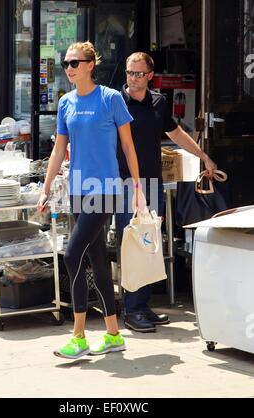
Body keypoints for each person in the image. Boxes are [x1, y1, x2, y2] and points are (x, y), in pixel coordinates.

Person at [37, 42, 146, 359]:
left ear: (89, 65)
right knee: (97, 260)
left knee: (72, 255)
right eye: (64, 63)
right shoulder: (65, 103)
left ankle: (79, 337)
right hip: (78, 189)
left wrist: (137, 187)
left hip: (106, 189)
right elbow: (59, 149)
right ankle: (113, 334)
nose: (68, 68)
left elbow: (128, 147)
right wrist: (46, 188)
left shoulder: (111, 99)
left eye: (73, 63)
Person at [116, 52, 217, 333]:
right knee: (135, 245)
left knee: (150, 245)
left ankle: (142, 305)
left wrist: (203, 157)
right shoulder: (114, 101)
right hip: (126, 184)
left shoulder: (159, 102)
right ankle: (132, 310)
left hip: (153, 184)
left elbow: (176, 134)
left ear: (150, 76)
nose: (132, 78)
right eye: (129, 72)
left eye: (138, 73)